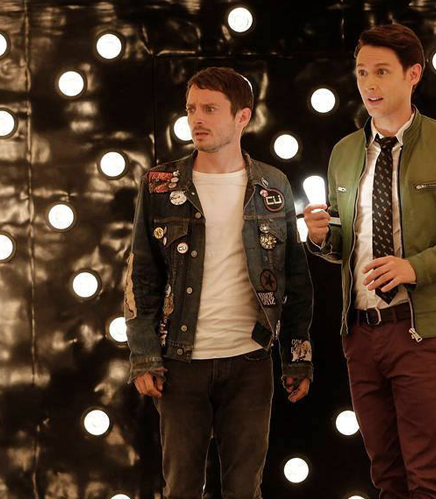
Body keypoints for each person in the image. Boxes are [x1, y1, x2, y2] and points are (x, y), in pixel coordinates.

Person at [304, 24, 436, 499]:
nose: (369, 84)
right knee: (386, 478)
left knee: (428, 478)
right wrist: (321, 238)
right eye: (361, 73)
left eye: (382, 72)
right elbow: (345, 243)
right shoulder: (345, 152)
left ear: (413, 74)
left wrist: (413, 268)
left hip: (422, 332)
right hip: (360, 334)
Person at [124, 66, 314, 499]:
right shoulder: (159, 185)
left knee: (245, 489)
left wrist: (297, 357)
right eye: (192, 109)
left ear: (242, 117)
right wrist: (144, 355)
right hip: (180, 363)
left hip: (250, 361)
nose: (197, 119)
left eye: (210, 109)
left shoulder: (273, 185)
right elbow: (141, 276)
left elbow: (295, 279)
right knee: (182, 488)